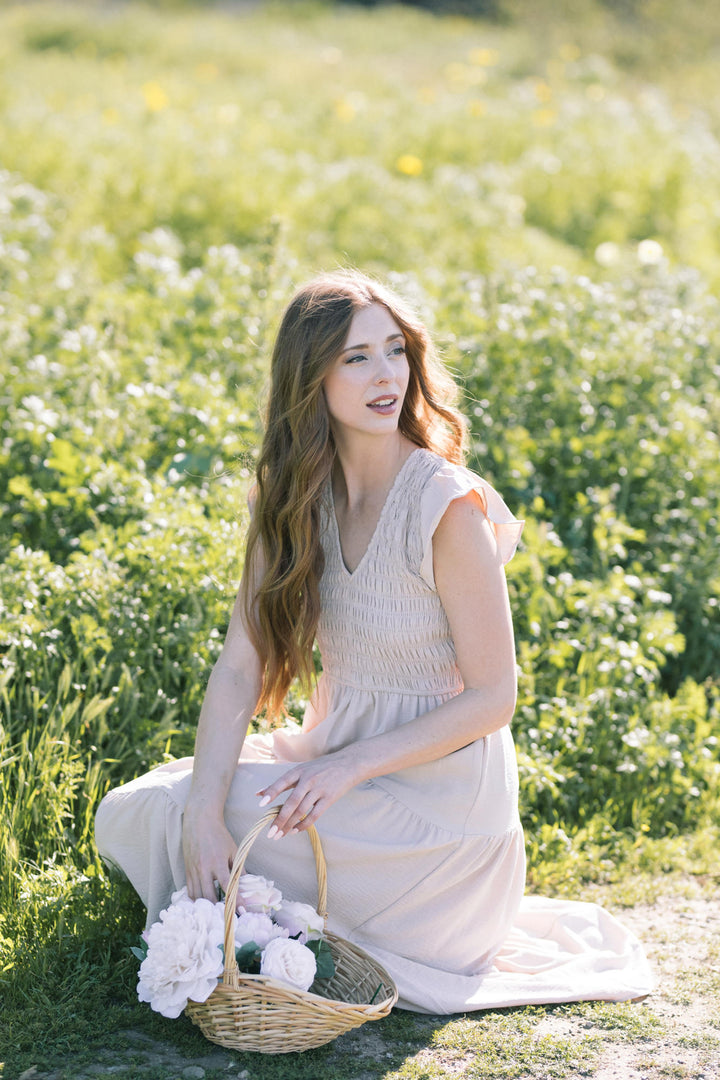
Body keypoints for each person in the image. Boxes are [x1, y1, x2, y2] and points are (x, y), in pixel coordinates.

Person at [95, 270, 652, 1013]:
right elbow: (241, 662)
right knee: (150, 806)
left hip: (441, 820)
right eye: (357, 357)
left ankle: (262, 933)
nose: (386, 374)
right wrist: (204, 809)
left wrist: (348, 768)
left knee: (214, 809)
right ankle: (259, 929)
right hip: (337, 764)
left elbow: (495, 697)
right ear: (311, 377)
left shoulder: (446, 505)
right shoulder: (290, 496)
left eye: (395, 350)